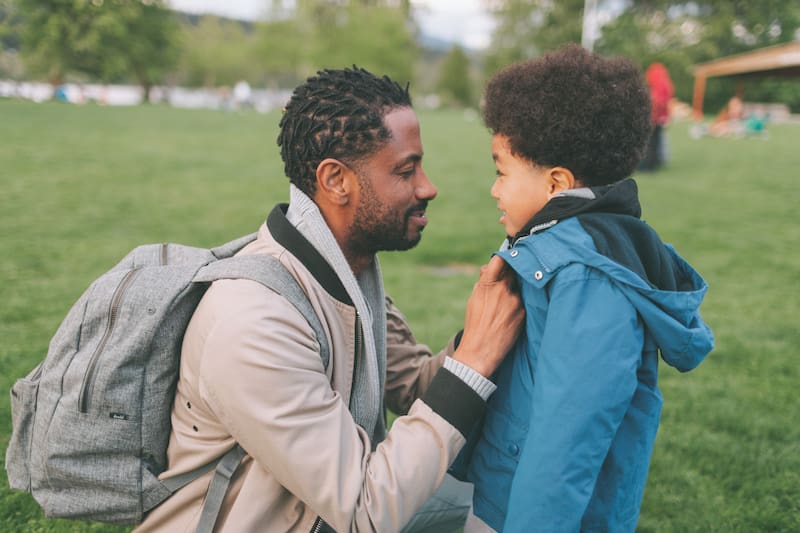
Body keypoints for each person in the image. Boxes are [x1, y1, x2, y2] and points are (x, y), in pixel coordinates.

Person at [135, 67, 524, 533]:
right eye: (406, 171)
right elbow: (365, 510)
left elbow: (416, 388)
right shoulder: (253, 321)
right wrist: (474, 359)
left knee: (505, 496)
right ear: (336, 180)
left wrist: (482, 333)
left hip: (328, 510)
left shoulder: (344, 274)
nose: (428, 187)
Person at [450, 44, 715, 532]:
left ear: (556, 184)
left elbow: (565, 444)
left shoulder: (588, 279)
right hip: (499, 494)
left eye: (501, 172)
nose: (494, 189)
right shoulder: (555, 248)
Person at [639, 62, 674, 171]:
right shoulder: (666, 84)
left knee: (651, 143)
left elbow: (657, 103)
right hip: (661, 118)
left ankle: (648, 166)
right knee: (656, 142)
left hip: (655, 119)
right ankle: (657, 162)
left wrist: (652, 118)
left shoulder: (657, 86)